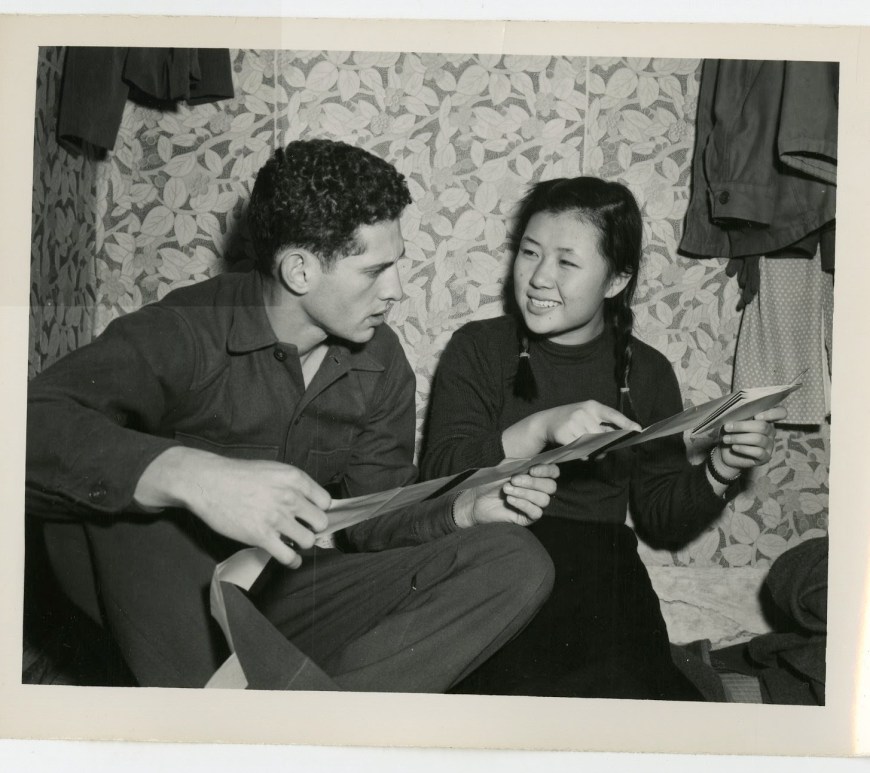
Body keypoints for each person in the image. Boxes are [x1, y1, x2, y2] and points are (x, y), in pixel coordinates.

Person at [25, 138, 559, 690]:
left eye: (395, 266)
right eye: (374, 270)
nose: (395, 290)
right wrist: (190, 476)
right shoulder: (187, 329)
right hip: (172, 601)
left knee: (515, 561)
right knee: (125, 507)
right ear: (300, 272)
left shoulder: (381, 360)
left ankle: (325, 727)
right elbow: (30, 421)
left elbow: (373, 522)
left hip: (288, 595)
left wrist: (463, 510)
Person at [420, 176, 785, 701]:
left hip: (599, 568)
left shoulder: (650, 372)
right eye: (529, 252)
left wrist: (722, 468)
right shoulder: (478, 348)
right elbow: (437, 477)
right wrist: (537, 429)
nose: (539, 277)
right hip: (492, 552)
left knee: (640, 705)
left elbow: (660, 516)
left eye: (566, 262)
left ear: (615, 281)